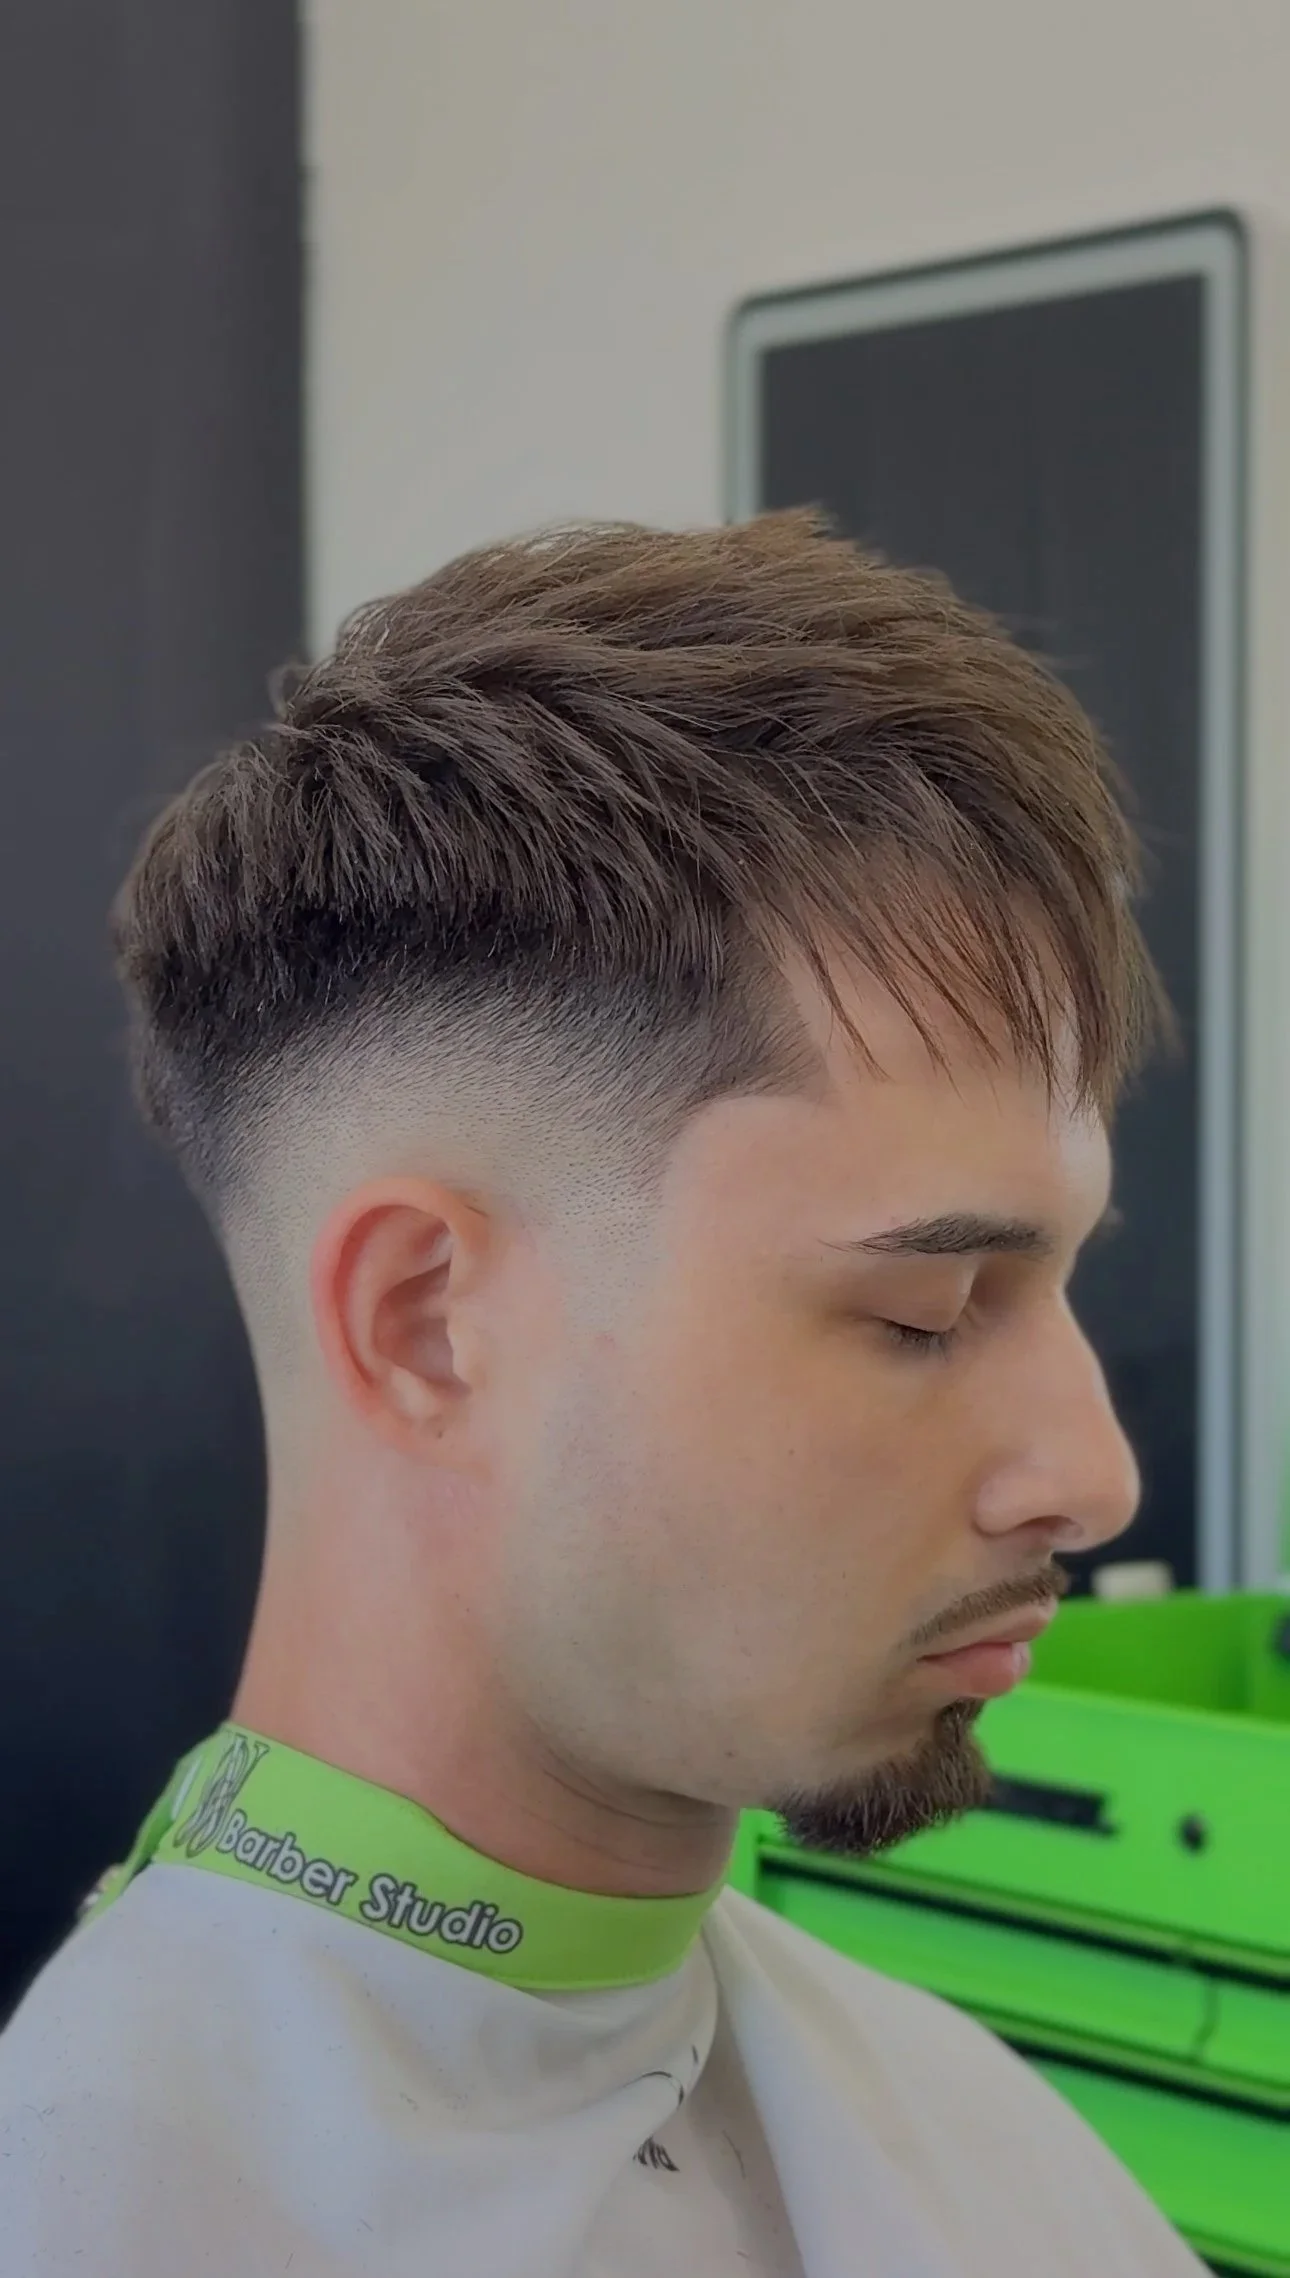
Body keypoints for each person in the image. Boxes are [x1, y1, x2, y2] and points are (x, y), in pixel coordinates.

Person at [0, 513, 1204, 2276]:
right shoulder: (111, 2201)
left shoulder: (945, 2109)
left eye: (1063, 1280)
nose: (1090, 1475)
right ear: (426, 1324)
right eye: (928, 1310)